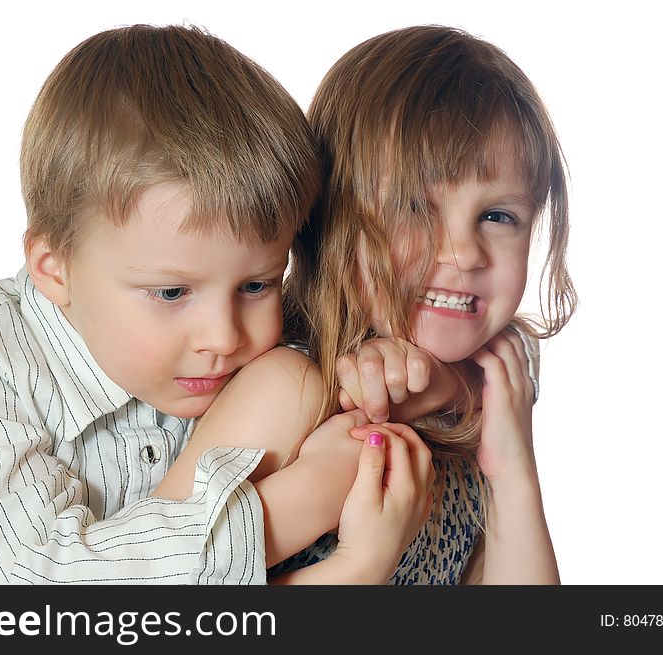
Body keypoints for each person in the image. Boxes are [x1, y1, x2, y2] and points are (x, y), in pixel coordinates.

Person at [0, 24, 427, 585]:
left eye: (257, 285)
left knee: (297, 378)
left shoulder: (240, 355)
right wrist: (312, 499)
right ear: (54, 268)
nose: (224, 337)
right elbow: (40, 582)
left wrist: (398, 370)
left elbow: (509, 351)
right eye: (170, 293)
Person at [154, 25, 577, 584]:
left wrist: (512, 468)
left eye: (499, 216)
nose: (464, 252)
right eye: (411, 207)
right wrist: (359, 565)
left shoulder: (491, 384)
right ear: (329, 218)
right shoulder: (291, 390)